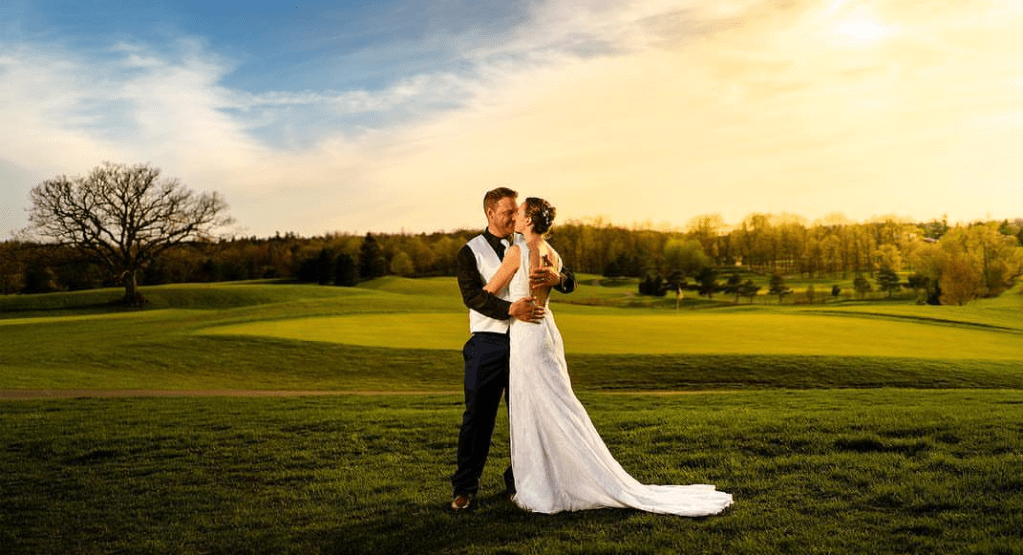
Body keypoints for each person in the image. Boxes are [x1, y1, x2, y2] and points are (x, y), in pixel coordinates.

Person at [483, 197, 733, 515]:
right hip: (545, 331)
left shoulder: (520, 251)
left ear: (530, 219)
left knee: (535, 407)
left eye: (519, 213)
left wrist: (505, 302)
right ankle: (556, 475)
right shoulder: (551, 253)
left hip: (527, 335)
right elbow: (544, 290)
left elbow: (493, 292)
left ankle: (544, 484)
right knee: (556, 406)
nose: (515, 216)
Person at [450, 187, 576, 511]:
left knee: (526, 416)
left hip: (525, 342)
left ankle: (519, 481)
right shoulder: (469, 252)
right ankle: (465, 488)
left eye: (515, 211)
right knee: (477, 418)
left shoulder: (529, 243)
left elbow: (567, 279)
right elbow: (473, 298)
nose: (512, 216)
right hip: (487, 342)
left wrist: (558, 277)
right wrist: (510, 310)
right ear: (490, 213)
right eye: (507, 212)